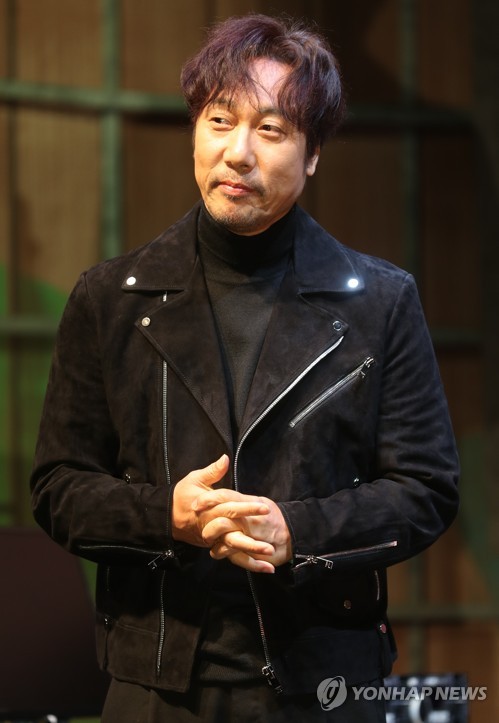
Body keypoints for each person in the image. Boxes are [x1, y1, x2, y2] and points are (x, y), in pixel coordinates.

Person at [30, 13, 459, 723]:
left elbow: (426, 488)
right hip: (155, 681)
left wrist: (298, 531)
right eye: (220, 121)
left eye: (271, 129)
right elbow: (58, 486)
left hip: (323, 680)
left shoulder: (380, 301)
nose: (237, 153)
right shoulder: (110, 298)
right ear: (195, 131)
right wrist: (166, 515)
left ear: (312, 154)